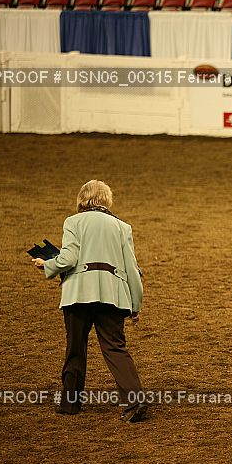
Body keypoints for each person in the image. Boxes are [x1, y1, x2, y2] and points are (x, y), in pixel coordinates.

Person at [32, 180, 148, 422]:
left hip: (79, 293)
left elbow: (68, 259)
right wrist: (135, 304)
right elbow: (132, 269)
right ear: (106, 200)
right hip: (113, 295)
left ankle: (70, 404)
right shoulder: (122, 227)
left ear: (83, 199)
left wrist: (48, 264)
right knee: (115, 348)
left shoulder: (73, 222)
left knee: (75, 348)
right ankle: (135, 401)